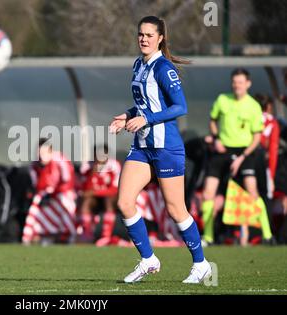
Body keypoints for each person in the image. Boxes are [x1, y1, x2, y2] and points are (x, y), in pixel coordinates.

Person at [109, 16, 211, 284]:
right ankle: (148, 259)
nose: (143, 39)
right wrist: (127, 115)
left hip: (167, 147)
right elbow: (145, 105)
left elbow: (180, 107)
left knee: (176, 209)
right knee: (124, 202)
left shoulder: (164, 68)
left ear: (160, 38)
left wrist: (147, 119)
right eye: (140, 34)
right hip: (142, 146)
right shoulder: (137, 65)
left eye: (149, 35)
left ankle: (201, 264)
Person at [202, 69, 274, 246]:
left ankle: (267, 235)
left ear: (248, 84)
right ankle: (208, 237)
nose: (237, 85)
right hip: (222, 150)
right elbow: (212, 120)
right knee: (207, 193)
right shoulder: (222, 99)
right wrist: (216, 138)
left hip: (244, 152)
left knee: (252, 190)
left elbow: (257, 137)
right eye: (234, 82)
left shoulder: (253, 106)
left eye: (240, 82)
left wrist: (241, 157)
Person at [21, 138, 77, 245]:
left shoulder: (60, 160)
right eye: (39, 152)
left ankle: (69, 235)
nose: (41, 155)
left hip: (63, 193)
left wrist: (52, 194)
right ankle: (39, 235)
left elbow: (67, 180)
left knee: (65, 202)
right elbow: (36, 185)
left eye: (44, 152)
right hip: (46, 195)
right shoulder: (35, 165)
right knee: (36, 203)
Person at [79, 144, 121, 243]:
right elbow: (86, 191)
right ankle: (87, 235)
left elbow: (114, 190)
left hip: (110, 199)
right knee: (86, 203)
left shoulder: (114, 165)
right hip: (96, 199)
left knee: (109, 200)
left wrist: (94, 192)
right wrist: (93, 172)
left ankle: (105, 236)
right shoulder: (87, 166)